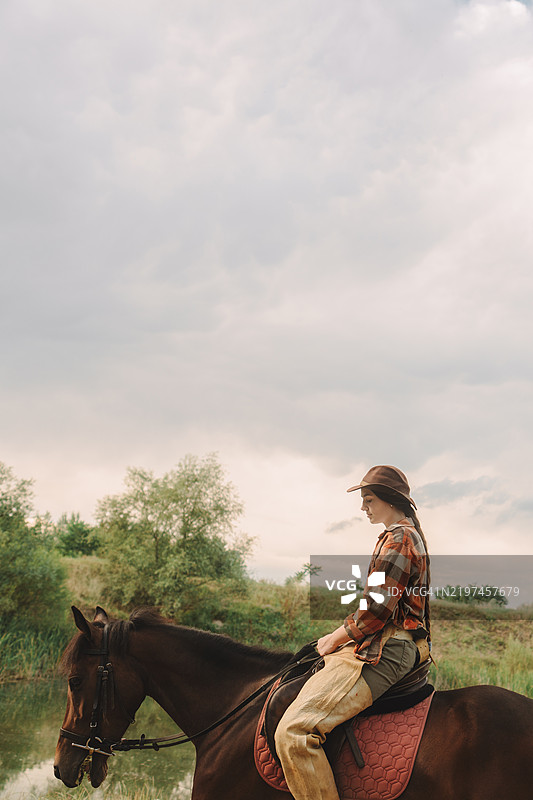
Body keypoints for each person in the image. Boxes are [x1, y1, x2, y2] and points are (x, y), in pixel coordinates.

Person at [275, 465, 431, 800]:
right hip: (383, 641)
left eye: (368, 499)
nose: (363, 507)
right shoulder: (396, 536)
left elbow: (375, 613)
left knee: (294, 732)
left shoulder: (400, 539)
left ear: (389, 500)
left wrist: (334, 638)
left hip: (389, 648)